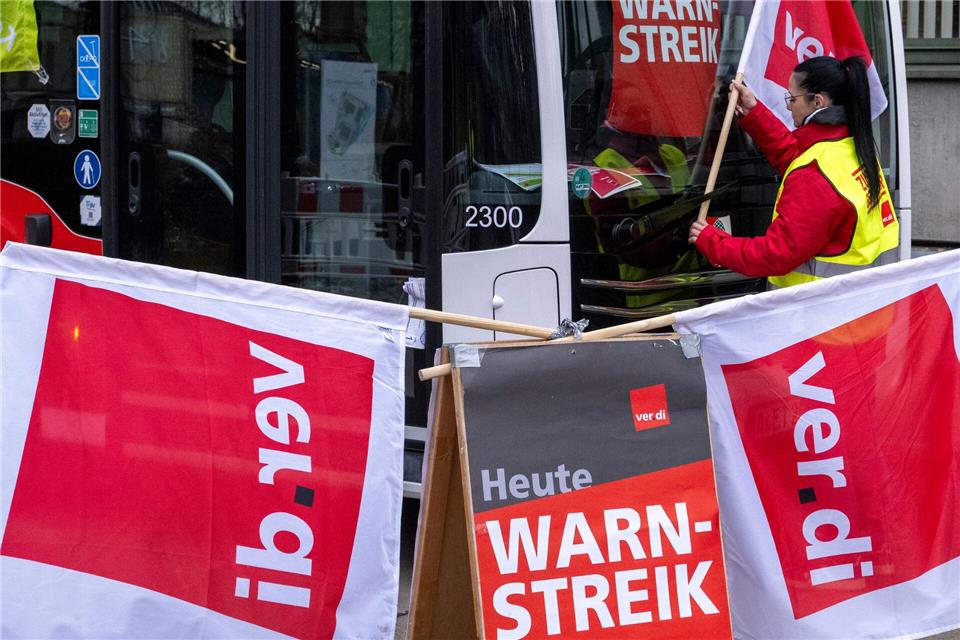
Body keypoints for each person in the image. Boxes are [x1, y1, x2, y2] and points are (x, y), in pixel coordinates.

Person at [688, 56, 900, 288]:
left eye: (792, 98)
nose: (788, 106)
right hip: (861, 308)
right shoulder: (854, 145)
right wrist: (755, 113)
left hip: (816, 315)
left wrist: (713, 242)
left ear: (817, 101)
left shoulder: (814, 173)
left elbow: (775, 254)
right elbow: (796, 155)